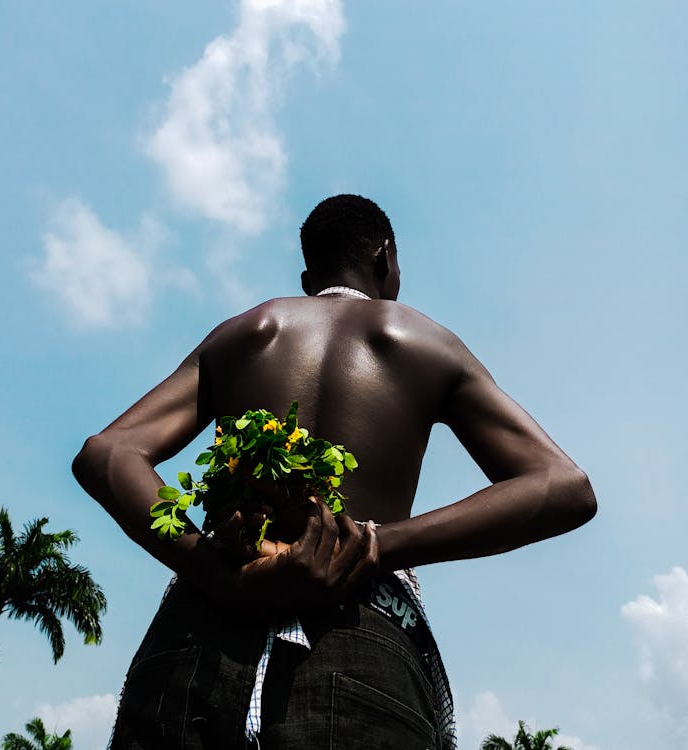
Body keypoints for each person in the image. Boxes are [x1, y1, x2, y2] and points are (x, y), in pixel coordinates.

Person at [72, 194, 596, 750]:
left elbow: (108, 453)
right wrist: (374, 545)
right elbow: (565, 486)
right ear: (384, 257)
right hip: (358, 632)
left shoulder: (249, 332)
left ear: (308, 276)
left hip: (202, 628)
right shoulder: (424, 341)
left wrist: (215, 570)